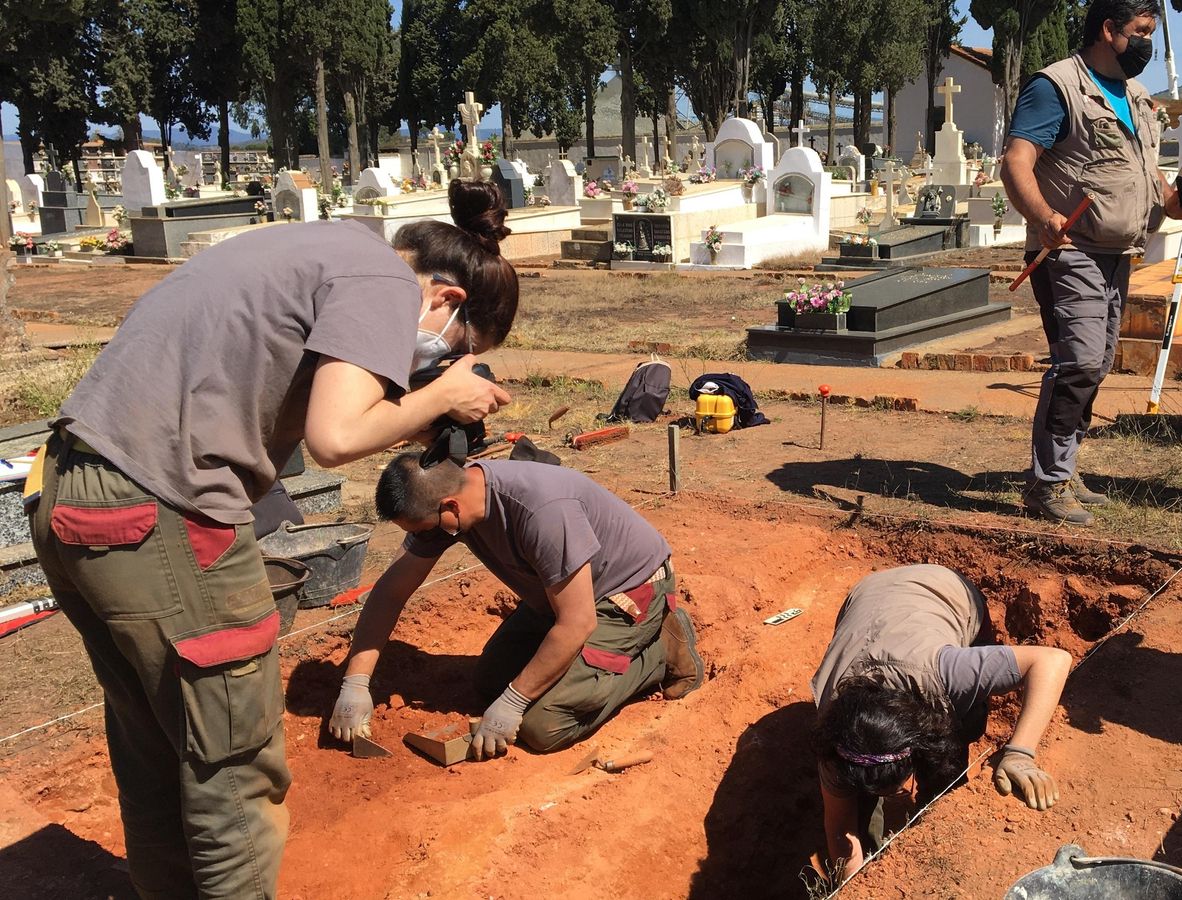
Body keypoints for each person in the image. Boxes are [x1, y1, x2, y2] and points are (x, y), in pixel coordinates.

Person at [28, 179, 517, 898]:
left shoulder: (324, 249)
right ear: (447, 302)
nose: (436, 364)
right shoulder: (383, 280)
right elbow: (334, 437)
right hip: (161, 508)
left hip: (70, 490)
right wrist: (445, 395)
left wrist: (421, 411)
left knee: (160, 755)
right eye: (456, 352)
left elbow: (313, 401)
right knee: (234, 764)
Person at [328, 456, 706, 759]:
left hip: (625, 594)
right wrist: (355, 683)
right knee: (490, 680)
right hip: (556, 594)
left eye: (424, 528)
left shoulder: (542, 512)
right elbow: (390, 591)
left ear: (450, 506)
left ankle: (659, 651)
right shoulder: (450, 510)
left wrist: (514, 703)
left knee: (543, 726)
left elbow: (577, 622)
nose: (421, 538)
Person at [1000, 0, 1182, 525]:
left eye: (1150, 33)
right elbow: (1016, 160)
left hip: (1118, 254)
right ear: (1108, 30)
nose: (1147, 44)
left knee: (1096, 364)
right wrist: (1043, 215)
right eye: (1140, 32)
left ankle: (1064, 470)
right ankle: (1047, 485)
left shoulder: (1136, 96)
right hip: (1068, 250)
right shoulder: (1057, 87)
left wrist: (1173, 200)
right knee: (1081, 363)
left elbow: (1144, 175)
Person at [811, 565, 1072, 881]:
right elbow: (840, 828)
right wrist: (854, 886)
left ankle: (937, 801)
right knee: (860, 801)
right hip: (866, 596)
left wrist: (1019, 753)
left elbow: (1052, 660)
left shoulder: (948, 672)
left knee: (962, 726)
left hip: (947, 591)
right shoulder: (837, 736)